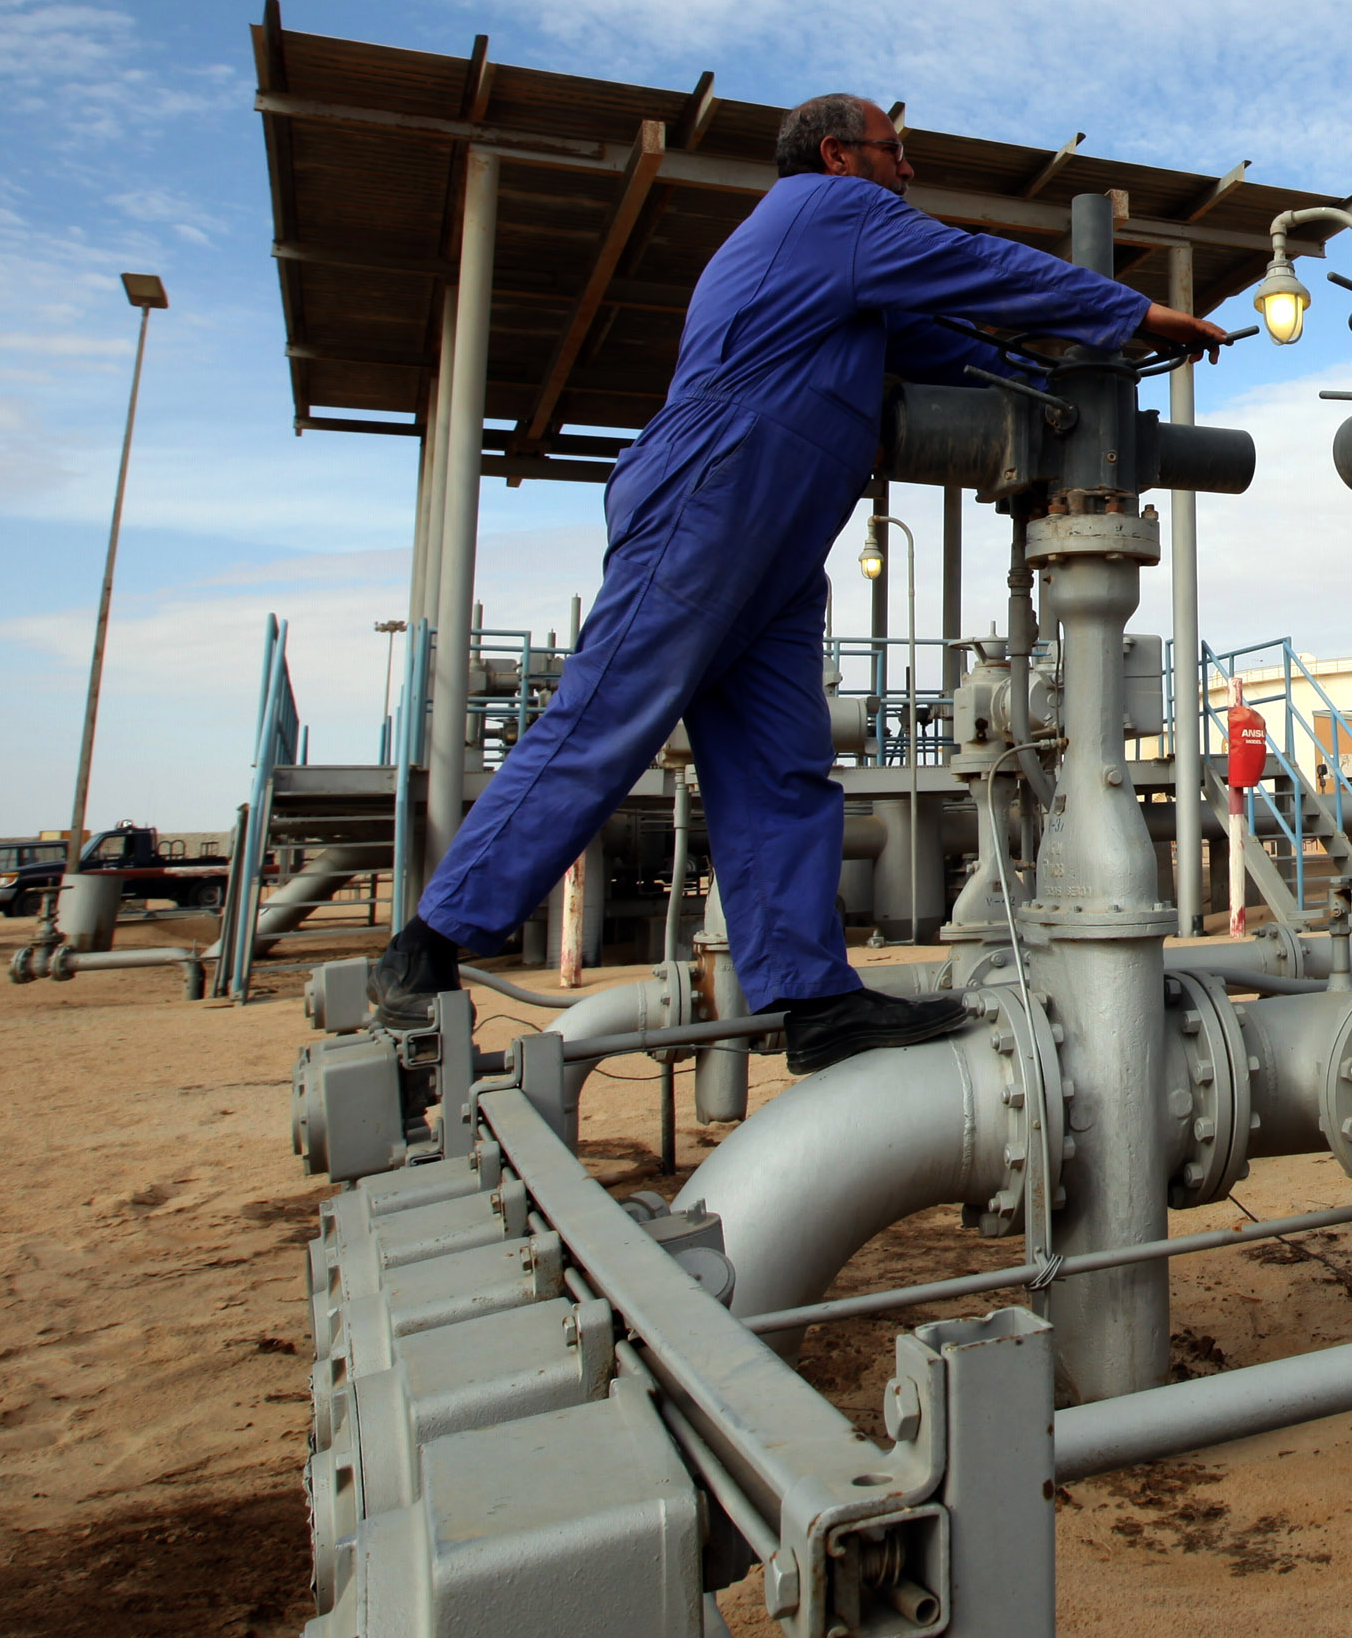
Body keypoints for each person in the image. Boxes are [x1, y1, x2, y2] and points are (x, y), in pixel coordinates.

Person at [370, 94, 1230, 1069]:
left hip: (776, 533)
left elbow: (945, 344)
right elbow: (975, 265)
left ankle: (812, 999)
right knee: (609, 714)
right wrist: (1125, 309)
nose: (907, 169)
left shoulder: (841, 269)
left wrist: (1073, 382)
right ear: (838, 155)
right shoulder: (829, 211)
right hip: (712, 494)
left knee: (780, 767)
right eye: (895, 151)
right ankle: (426, 946)